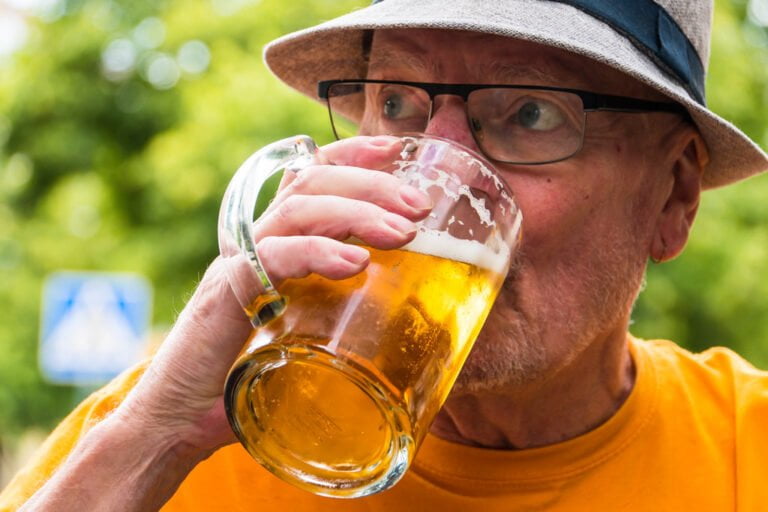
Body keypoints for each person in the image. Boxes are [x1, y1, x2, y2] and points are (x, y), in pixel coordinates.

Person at [3, 0, 768, 510]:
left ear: (673, 198)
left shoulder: (745, 452)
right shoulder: (175, 426)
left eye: (530, 113)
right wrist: (155, 441)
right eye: (397, 103)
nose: (432, 185)